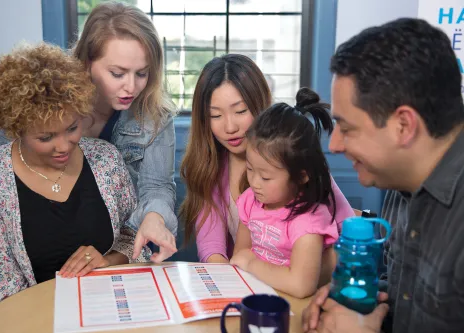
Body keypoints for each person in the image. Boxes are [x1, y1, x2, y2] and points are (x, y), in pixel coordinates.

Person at [0, 42, 151, 312]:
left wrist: (110, 260)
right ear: (16, 128)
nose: (63, 146)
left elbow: (135, 237)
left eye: (72, 128)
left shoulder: (105, 158)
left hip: (113, 312)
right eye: (46, 137)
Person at [302, 18, 464, 333]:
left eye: (346, 127)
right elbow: (405, 295)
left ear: (403, 125)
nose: (334, 145)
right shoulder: (398, 181)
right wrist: (357, 303)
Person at [0, 2, 177, 262]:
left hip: (117, 252)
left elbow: (156, 187)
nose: (131, 87)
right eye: (117, 73)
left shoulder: (155, 116)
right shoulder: (37, 97)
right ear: (87, 62)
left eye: (142, 74)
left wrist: (154, 219)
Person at [180, 55, 354, 277]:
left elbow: (352, 244)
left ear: (260, 104)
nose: (230, 127)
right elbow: (212, 250)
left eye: (241, 111)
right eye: (215, 115)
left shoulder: (297, 167)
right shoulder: (211, 170)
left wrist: (294, 273)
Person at [230, 90, 340, 298]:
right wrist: (248, 263)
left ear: (301, 176)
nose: (254, 183)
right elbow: (239, 255)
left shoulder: (307, 220)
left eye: (266, 177)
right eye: (250, 169)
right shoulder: (250, 201)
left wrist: (252, 263)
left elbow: (301, 286)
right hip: (259, 293)